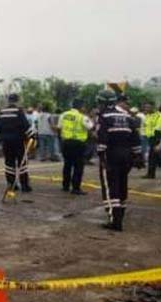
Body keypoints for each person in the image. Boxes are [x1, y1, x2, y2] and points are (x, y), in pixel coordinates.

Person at [95, 90, 144, 231]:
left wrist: (101, 155)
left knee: (110, 186)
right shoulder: (127, 115)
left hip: (111, 155)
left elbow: (102, 138)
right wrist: (138, 155)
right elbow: (136, 138)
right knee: (122, 184)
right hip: (127, 156)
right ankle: (120, 216)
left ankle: (114, 220)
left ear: (102, 102)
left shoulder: (104, 116)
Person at [0, 94, 35, 192]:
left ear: (8, 101)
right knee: (22, 163)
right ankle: (24, 185)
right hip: (18, 141)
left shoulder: (2, 112)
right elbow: (26, 126)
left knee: (9, 163)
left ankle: (11, 184)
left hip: (6, 142)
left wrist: (0, 138)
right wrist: (33, 136)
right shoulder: (18, 111)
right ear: (17, 101)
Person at [57, 99, 93, 195]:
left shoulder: (63, 115)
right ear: (81, 107)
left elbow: (59, 127)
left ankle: (65, 186)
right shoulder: (82, 117)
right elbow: (90, 127)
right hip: (78, 144)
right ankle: (76, 188)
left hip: (66, 142)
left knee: (67, 165)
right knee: (78, 166)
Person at [142, 103, 161, 179]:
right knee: (152, 157)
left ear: (152, 108)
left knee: (153, 157)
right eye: (145, 107)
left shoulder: (158, 116)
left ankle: (151, 174)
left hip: (156, 138)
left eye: (147, 107)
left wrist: (159, 143)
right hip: (151, 139)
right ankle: (150, 173)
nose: (145, 109)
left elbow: (159, 130)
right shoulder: (148, 116)